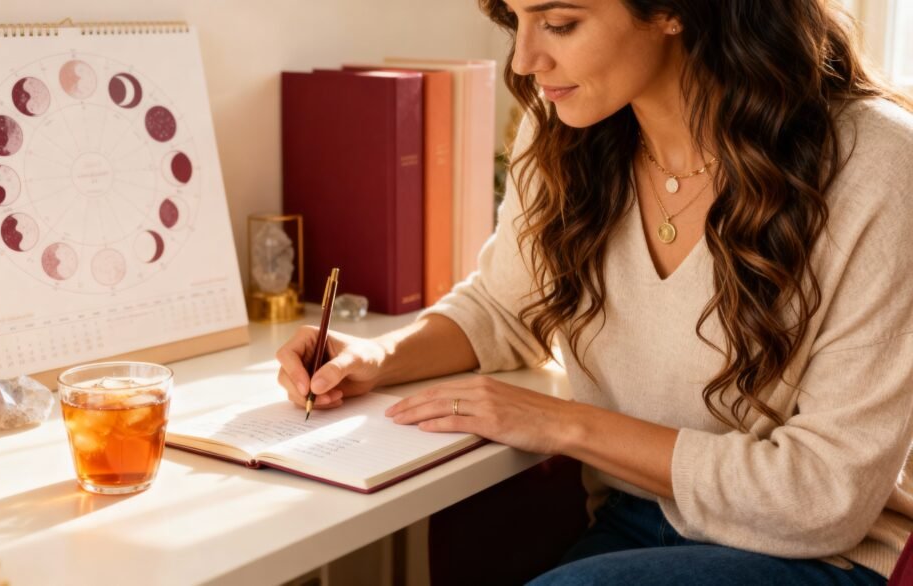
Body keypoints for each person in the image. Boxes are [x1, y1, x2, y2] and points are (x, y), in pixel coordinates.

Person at [274, 0, 913, 583]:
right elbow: (505, 306)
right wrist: (377, 359)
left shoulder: (875, 163)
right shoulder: (566, 130)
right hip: (634, 523)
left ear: (672, 12)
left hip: (824, 559)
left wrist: (565, 424)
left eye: (559, 23)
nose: (525, 61)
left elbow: (826, 497)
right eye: (513, 19)